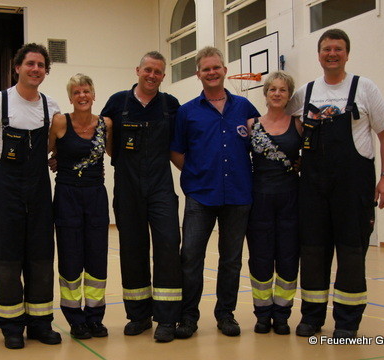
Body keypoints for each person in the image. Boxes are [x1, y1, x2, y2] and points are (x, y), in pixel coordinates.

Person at [286, 28, 384, 339]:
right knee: (312, 253)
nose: (331, 54)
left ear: (347, 54)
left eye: (337, 49)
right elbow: (286, 124)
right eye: (326, 49)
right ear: (318, 54)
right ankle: (311, 317)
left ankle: (347, 323)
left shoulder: (365, 89)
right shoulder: (305, 93)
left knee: (350, 254)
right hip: (312, 188)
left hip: (353, 187)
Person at [0, 43, 62, 349]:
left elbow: (55, 144)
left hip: (38, 192)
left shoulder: (52, 107)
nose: (36, 69)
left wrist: (56, 157)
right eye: (30, 64)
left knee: (40, 258)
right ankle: (11, 326)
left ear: (46, 71)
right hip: (6, 191)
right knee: (7, 259)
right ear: (18, 67)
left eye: (41, 65)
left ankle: (40, 323)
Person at [171, 46, 260, 339]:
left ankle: (226, 315)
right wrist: (197, 173)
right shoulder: (187, 112)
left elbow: (261, 144)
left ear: (224, 70)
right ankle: (188, 317)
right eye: (206, 69)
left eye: (216, 67)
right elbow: (176, 150)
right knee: (191, 257)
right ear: (198, 74)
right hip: (200, 195)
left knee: (231, 260)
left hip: (238, 195)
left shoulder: (245, 108)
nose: (211, 72)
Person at [101, 51, 182, 343]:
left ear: (163, 76)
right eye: (148, 69)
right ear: (137, 70)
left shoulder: (171, 105)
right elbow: (105, 145)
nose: (152, 75)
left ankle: (167, 318)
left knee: (168, 245)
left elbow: (181, 146)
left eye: (158, 72)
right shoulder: (117, 102)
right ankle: (138, 315)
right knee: (132, 250)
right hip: (128, 186)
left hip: (161, 186)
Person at [48, 73, 113, 340]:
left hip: (96, 195)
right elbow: (50, 152)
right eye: (77, 92)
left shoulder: (106, 124)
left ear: (94, 94)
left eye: (86, 91)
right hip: (67, 197)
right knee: (70, 257)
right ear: (70, 97)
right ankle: (75, 318)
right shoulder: (60, 122)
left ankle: (95, 317)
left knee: (97, 258)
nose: (82, 96)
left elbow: (113, 154)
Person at [245, 71, 302, 335]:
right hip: (260, 201)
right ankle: (262, 313)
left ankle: (282, 314)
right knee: (260, 259)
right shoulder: (251, 124)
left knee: (289, 259)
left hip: (291, 200)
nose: (277, 93)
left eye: (282, 89)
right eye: (272, 89)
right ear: (265, 94)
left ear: (289, 95)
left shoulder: (299, 124)